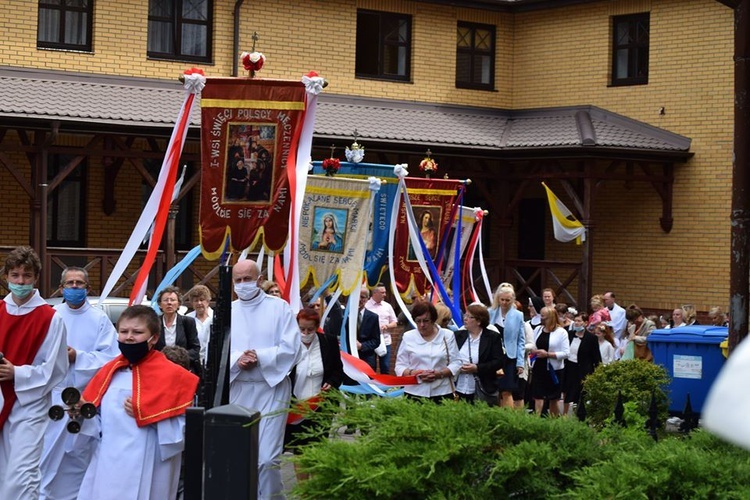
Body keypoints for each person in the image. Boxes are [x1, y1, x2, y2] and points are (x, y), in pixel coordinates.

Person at [78, 305, 199, 500]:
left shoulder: (173, 375)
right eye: (124, 331)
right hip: (109, 460)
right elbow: (97, 422)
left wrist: (148, 414)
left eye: (137, 332)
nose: (129, 337)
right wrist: (83, 413)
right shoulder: (109, 371)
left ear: (154, 338)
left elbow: (182, 430)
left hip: (149, 458)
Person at [40, 267, 119, 500]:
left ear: (88, 288)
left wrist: (79, 357)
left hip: (86, 398)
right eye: (70, 283)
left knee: (80, 456)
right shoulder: (51, 315)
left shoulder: (99, 319)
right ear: (61, 287)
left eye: (79, 284)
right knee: (48, 455)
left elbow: (111, 358)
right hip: (54, 397)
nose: (74, 287)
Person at [0, 246, 68, 500]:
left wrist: (16, 373)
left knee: (20, 477)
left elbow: (56, 369)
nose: (20, 281)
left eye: (26, 276)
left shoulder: (50, 318)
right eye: (15, 275)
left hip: (29, 406)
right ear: (6, 277)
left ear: (36, 278)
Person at [228, 259, 300, 499]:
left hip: (271, 388)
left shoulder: (279, 308)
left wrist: (261, 356)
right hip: (238, 388)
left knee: (267, 459)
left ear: (259, 280)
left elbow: (292, 348)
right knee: (239, 456)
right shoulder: (227, 311)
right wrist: (237, 359)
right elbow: (212, 350)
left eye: (247, 279)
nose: (242, 284)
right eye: (237, 280)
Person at [284, 308, 343, 481]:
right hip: (296, 406)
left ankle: (316, 489)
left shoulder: (328, 342)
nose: (306, 333)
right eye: (302, 329)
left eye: (310, 329)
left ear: (317, 327)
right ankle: (304, 491)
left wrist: (331, 382)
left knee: (318, 447)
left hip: (321, 404)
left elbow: (338, 370)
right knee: (300, 449)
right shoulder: (290, 344)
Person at [395, 301, 461, 400]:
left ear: (433, 320)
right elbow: (400, 365)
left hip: (443, 391)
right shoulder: (408, 336)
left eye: (426, 321)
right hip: (414, 391)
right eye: (418, 321)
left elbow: (456, 362)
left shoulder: (447, 335)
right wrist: (416, 373)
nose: (422, 325)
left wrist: (439, 374)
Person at [453, 303, 504, 405]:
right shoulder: (458, 335)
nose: (465, 319)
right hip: (458, 386)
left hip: (483, 387)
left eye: (469, 316)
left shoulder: (492, 337)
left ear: (479, 321)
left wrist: (477, 368)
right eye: (465, 315)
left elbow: (498, 361)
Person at [488, 284, 526, 407]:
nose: (504, 303)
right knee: (493, 389)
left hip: (510, 357)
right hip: (493, 356)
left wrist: (520, 362)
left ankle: (507, 418)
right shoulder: (490, 313)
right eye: (502, 299)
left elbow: (521, 340)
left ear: (512, 300)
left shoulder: (518, 315)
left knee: (507, 389)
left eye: (507, 300)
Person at [530, 306, 570, 416]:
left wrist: (548, 354)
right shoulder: (538, 329)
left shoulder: (561, 332)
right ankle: (536, 419)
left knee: (553, 398)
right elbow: (532, 344)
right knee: (538, 396)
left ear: (551, 318)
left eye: (543, 317)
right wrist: (533, 351)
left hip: (554, 369)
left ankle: (553, 421)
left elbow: (566, 353)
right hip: (539, 366)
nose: (541, 319)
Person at [154, 286, 201, 375]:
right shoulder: (154, 323)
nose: (169, 303)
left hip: (182, 370)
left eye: (172, 300)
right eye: (165, 300)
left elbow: (195, 349)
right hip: (160, 370)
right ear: (160, 304)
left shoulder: (188, 322)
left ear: (179, 304)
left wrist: (177, 358)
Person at [562, 310, 601, 416]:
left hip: (583, 369)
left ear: (585, 323)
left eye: (579, 321)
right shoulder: (569, 334)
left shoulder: (591, 338)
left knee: (580, 392)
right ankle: (564, 414)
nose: (576, 323)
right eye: (575, 321)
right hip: (569, 366)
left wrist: (597, 372)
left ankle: (579, 413)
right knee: (566, 389)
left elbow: (596, 357)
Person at [364, 283, 399, 375]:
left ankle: (385, 388)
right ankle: (371, 387)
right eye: (382, 292)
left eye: (385, 292)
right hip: (370, 341)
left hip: (385, 340)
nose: (385, 295)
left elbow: (395, 322)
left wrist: (387, 326)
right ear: (375, 293)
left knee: (385, 366)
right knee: (370, 367)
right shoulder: (366, 305)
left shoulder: (387, 306)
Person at [352, 286, 381, 370]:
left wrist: (362, 346)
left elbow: (376, 341)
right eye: (357, 296)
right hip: (349, 359)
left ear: (368, 299)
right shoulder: (346, 316)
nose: (359, 299)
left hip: (367, 359)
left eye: (362, 297)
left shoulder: (373, 317)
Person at [185, 284, 213, 367]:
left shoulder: (215, 318)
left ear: (208, 301)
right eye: (196, 300)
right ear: (192, 303)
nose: (199, 303)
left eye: (202, 300)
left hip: (212, 364)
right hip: (193, 364)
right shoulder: (187, 319)